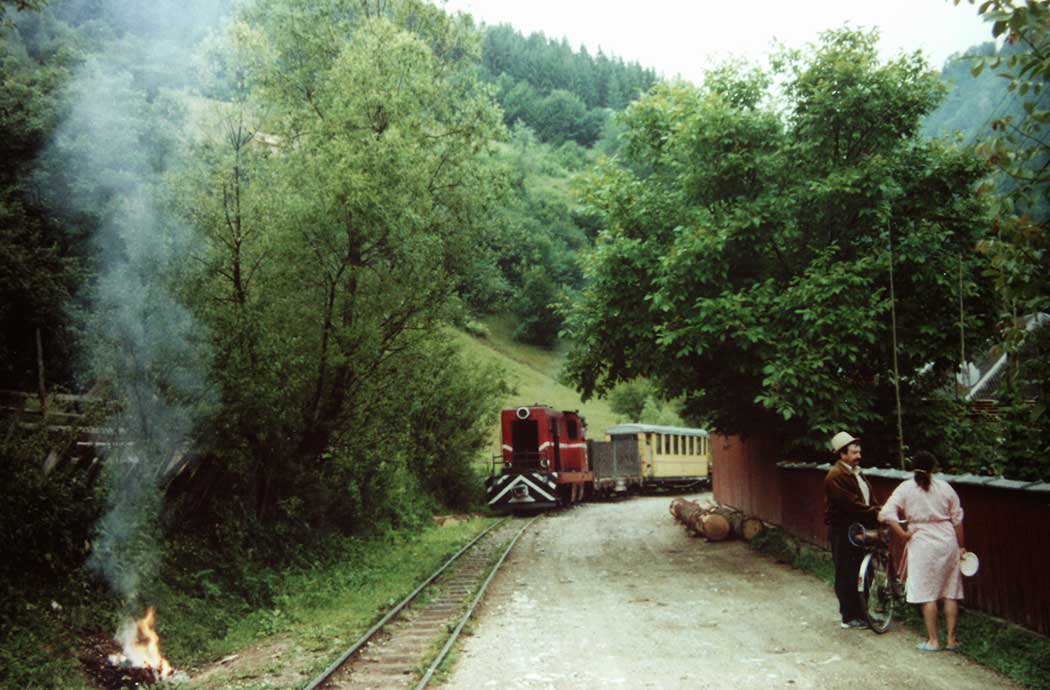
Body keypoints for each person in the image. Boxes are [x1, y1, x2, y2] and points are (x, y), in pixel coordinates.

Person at [878, 450, 966, 652]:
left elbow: (886, 514)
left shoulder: (906, 488)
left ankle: (933, 641)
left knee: (928, 593)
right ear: (934, 467)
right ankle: (952, 640)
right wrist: (961, 546)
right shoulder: (945, 487)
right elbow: (958, 519)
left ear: (912, 467)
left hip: (922, 541)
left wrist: (902, 534)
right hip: (946, 539)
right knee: (950, 592)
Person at [824, 431, 880, 629]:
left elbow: (867, 498)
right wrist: (877, 513)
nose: (858, 455)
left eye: (859, 451)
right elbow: (852, 504)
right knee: (847, 572)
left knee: (864, 571)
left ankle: (863, 613)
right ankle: (848, 616)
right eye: (854, 452)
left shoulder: (856, 472)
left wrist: (876, 509)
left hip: (859, 527)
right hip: (843, 529)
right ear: (842, 454)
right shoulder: (836, 476)